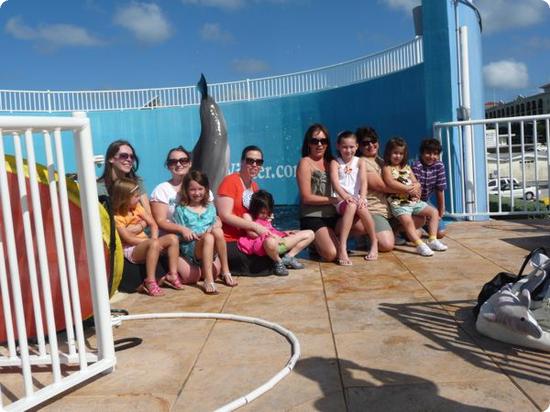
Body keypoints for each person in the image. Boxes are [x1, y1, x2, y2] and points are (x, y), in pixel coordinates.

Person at [150, 146, 215, 285]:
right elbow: (160, 221)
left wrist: (214, 226)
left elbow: (214, 214)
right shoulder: (162, 190)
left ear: (190, 163)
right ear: (168, 166)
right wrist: (182, 229)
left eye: (183, 160)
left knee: (214, 273)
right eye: (173, 162)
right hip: (177, 243)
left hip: (201, 240)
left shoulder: (201, 189)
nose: (178, 164)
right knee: (192, 277)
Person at [112, 177, 183, 297]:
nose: (139, 198)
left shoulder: (137, 208)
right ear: (124, 198)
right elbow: (128, 239)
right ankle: (150, 281)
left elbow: (153, 224)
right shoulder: (116, 217)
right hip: (131, 249)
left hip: (146, 243)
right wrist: (151, 242)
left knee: (172, 238)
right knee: (154, 244)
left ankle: (172, 274)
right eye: (135, 196)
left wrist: (154, 239)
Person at [355, 126, 423, 252]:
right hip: (375, 209)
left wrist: (417, 185)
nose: (371, 145)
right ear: (359, 146)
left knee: (420, 219)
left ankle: (393, 232)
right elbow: (383, 187)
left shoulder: (382, 160)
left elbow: (406, 174)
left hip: (392, 207)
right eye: (365, 143)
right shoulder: (362, 162)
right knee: (386, 245)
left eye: (373, 140)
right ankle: (368, 236)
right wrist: (410, 190)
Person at [381, 137, 448, 257]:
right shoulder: (387, 167)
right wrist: (408, 189)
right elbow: (390, 183)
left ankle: (432, 240)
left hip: (413, 200)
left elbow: (416, 182)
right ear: (389, 153)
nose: (398, 156)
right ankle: (419, 245)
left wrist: (416, 189)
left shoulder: (406, 167)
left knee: (433, 212)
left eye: (401, 153)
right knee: (407, 222)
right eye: (395, 153)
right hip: (399, 202)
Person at [173, 170, 235, 294]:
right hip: (192, 249)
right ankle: (208, 279)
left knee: (217, 232)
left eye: (200, 189)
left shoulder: (210, 208)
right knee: (208, 237)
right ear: (186, 190)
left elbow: (217, 222)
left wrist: (216, 225)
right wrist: (193, 234)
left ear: (206, 189)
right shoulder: (181, 209)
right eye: (193, 190)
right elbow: (180, 237)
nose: (197, 193)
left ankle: (226, 270)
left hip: (211, 248)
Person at [216, 145, 273, 275]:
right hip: (230, 240)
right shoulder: (230, 181)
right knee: (264, 263)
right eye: (250, 161)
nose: (254, 165)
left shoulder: (255, 186)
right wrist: (254, 226)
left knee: (274, 249)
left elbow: (256, 216)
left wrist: (266, 219)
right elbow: (225, 215)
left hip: (248, 238)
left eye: (259, 162)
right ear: (242, 162)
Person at [238, 190, 314, 276]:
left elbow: (272, 230)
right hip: (266, 245)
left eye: (268, 212)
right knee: (270, 241)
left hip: (278, 243)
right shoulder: (248, 216)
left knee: (310, 233)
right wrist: (269, 235)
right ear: (255, 209)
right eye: (262, 213)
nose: (265, 215)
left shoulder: (266, 217)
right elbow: (252, 234)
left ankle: (289, 257)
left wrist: (284, 233)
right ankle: (278, 261)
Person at [329, 131, 378, 265]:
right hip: (342, 200)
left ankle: (374, 242)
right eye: (345, 147)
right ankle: (343, 246)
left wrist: (362, 197)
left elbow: (364, 181)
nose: (348, 150)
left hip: (357, 198)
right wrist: (345, 196)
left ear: (356, 147)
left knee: (362, 208)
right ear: (338, 146)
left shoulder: (360, 161)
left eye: (351, 147)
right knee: (351, 205)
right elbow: (335, 182)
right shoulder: (335, 162)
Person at [296, 124, 339, 262]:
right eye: (315, 141)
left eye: (323, 141)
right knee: (332, 254)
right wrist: (333, 200)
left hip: (334, 215)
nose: (319, 144)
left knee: (364, 225)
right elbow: (306, 198)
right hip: (313, 216)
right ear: (308, 144)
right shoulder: (305, 163)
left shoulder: (332, 162)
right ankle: (314, 242)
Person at [97, 140, 150, 213]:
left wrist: (140, 225)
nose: (129, 159)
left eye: (132, 157)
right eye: (123, 156)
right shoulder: (99, 187)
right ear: (111, 159)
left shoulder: (137, 182)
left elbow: (148, 213)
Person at [411, 138, 447, 239]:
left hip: (426, 200)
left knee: (440, 233)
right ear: (422, 153)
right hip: (413, 201)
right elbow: (415, 192)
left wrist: (440, 212)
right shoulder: (416, 165)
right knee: (416, 234)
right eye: (428, 153)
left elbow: (440, 189)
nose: (432, 157)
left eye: (435, 154)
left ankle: (423, 225)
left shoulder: (439, 166)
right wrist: (425, 212)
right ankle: (408, 228)